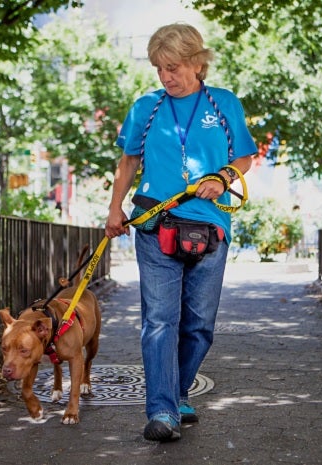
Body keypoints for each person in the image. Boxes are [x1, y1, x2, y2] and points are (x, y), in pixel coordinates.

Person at [105, 23, 257, 442]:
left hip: (209, 228)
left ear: (196, 62)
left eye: (172, 67)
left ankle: (177, 391)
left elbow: (245, 156)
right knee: (159, 320)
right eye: (159, 69)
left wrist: (224, 177)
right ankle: (162, 411)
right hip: (155, 224)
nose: (165, 77)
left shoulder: (224, 104)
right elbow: (127, 162)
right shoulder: (146, 108)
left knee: (199, 325)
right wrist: (115, 207)